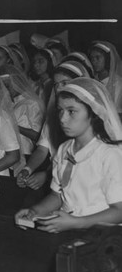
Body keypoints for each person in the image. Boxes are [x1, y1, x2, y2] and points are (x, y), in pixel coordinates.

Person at [15, 78, 122, 232]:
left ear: (93, 113)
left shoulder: (110, 154)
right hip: (70, 231)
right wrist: (34, 212)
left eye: (71, 111)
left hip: (105, 238)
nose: (63, 119)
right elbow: (57, 196)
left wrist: (78, 222)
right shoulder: (64, 149)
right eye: (60, 111)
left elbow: (119, 210)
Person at [16, 61, 92, 195]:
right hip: (57, 178)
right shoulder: (54, 116)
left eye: (65, 83)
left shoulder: (89, 117)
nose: (59, 88)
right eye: (56, 84)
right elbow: (42, 149)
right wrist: (27, 169)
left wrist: (47, 176)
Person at [1, 65, 45, 158]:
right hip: (5, 153)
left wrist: (14, 126)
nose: (5, 90)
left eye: (7, 86)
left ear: (16, 83)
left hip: (25, 154)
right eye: (2, 86)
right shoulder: (6, 104)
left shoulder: (31, 103)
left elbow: (38, 135)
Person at [89, 41, 122, 114]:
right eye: (92, 58)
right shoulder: (91, 80)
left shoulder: (118, 83)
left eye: (98, 58)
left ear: (107, 59)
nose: (94, 61)